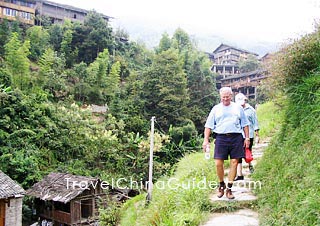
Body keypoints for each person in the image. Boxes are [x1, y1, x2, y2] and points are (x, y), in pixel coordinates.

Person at [203, 87, 250, 199]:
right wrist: (206, 140)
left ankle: (229, 188)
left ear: (231, 96)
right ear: (220, 97)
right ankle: (221, 185)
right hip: (221, 137)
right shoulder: (216, 109)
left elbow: (245, 124)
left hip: (236, 137)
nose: (225, 99)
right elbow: (208, 125)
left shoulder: (238, 108)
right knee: (218, 163)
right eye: (223, 97)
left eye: (227, 97)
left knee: (234, 162)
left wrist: (247, 138)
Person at [234, 93, 260, 180]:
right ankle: (239, 174)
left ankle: (250, 165)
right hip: (239, 135)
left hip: (250, 135)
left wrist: (257, 134)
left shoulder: (251, 110)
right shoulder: (235, 110)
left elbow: (255, 122)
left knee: (248, 152)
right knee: (238, 154)